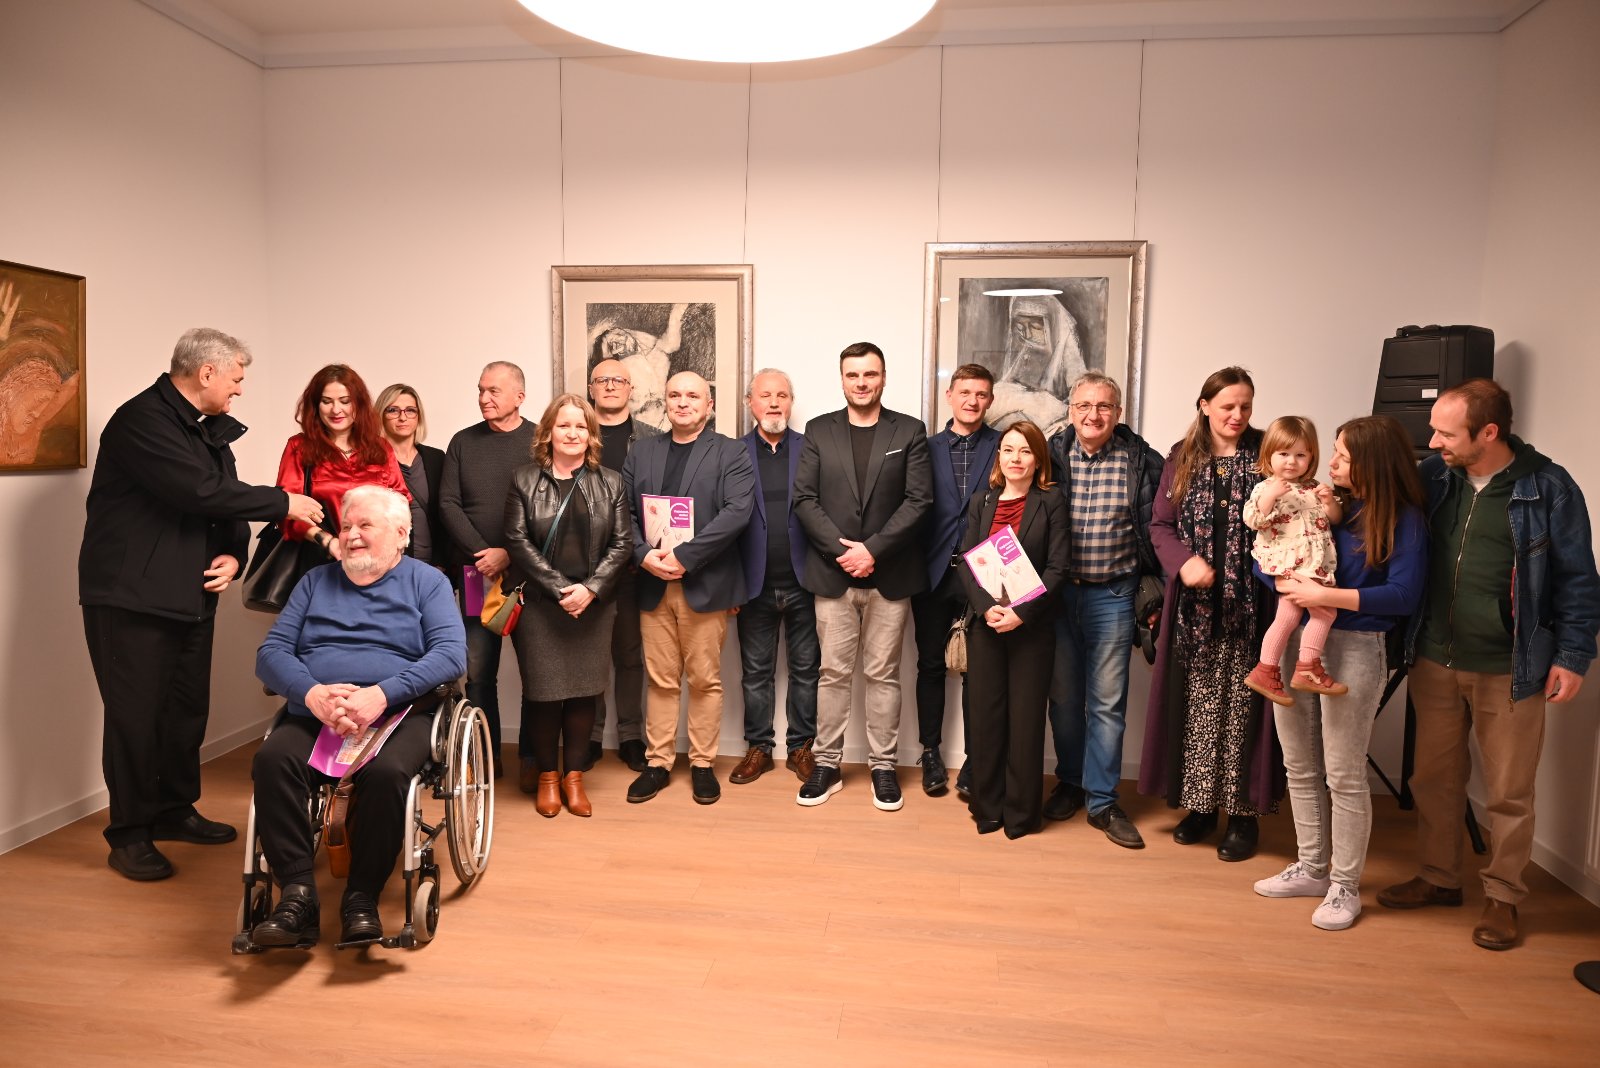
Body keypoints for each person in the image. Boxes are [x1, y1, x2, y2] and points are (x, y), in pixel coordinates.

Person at [80, 327, 323, 881]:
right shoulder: (141, 421)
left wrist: (234, 554)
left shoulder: (206, 428)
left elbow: (222, 502)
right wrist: (284, 502)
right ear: (206, 372)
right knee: (135, 718)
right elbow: (196, 490)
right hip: (132, 597)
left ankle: (173, 809)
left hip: (190, 593)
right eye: (236, 378)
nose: (239, 389)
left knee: (184, 711)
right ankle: (129, 834)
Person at [1379, 379, 1600, 950]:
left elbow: (1579, 580)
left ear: (1489, 433)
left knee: (1508, 791)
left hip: (1513, 668)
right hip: (1434, 657)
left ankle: (1503, 896)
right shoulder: (1434, 477)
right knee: (1433, 779)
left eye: (1446, 434)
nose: (1433, 442)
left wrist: (1573, 657)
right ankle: (1438, 878)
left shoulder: (1550, 487)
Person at [250, 486, 466, 947]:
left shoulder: (427, 582)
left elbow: (451, 655)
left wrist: (381, 695)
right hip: (318, 711)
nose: (351, 536)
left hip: (399, 713)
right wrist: (312, 694)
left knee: (388, 775)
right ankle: (298, 895)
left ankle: (361, 896)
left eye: (365, 525)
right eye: (346, 526)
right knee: (272, 761)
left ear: (401, 534)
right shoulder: (314, 582)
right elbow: (271, 654)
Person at [1249, 415, 1426, 931]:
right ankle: (1312, 868)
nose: (1331, 463)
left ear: (1373, 462)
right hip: (1295, 639)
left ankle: (1344, 885)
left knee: (1344, 774)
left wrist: (1325, 596)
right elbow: (1269, 550)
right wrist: (1288, 583)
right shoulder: (1322, 501)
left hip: (1356, 645)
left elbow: (1403, 595)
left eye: (1344, 457)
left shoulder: (1405, 518)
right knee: (1299, 765)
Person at [1139, 366, 1281, 862]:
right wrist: (1184, 563)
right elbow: (1160, 526)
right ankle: (1200, 807)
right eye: (1227, 406)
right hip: (1194, 611)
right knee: (1197, 707)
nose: (1237, 415)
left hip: (1254, 606)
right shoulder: (1182, 457)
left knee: (1244, 710)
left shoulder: (1267, 453)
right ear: (1204, 406)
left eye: (1245, 406)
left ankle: (1242, 815)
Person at [792, 342, 933, 811]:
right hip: (833, 576)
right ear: (842, 379)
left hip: (890, 576)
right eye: (853, 375)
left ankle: (883, 768)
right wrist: (845, 553)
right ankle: (826, 765)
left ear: (883, 377)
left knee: (883, 675)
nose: (861, 382)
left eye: (870, 374)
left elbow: (919, 501)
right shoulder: (819, 430)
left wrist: (872, 550)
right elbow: (805, 500)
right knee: (831, 674)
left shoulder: (909, 430)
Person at [1044, 371, 1164, 849]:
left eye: (1104, 406)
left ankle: (1102, 801)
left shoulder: (1143, 461)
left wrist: (1158, 590)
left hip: (1113, 595)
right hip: (1058, 597)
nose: (1093, 415)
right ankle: (1071, 782)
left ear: (1118, 412)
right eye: (1084, 406)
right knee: (1064, 700)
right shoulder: (1050, 455)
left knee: (1108, 704)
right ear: (1070, 410)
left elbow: (1160, 528)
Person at [621, 371, 754, 805]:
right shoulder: (642, 451)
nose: (683, 402)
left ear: (709, 405)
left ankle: (701, 764)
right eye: (674, 395)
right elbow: (622, 512)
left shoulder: (731, 452)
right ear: (665, 401)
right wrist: (644, 554)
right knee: (660, 681)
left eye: (692, 396)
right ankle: (658, 763)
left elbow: (736, 513)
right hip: (653, 582)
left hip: (704, 583)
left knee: (704, 680)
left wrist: (684, 557)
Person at [503, 395, 633, 816]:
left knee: (583, 695)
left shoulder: (611, 482)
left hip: (593, 607)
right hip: (542, 605)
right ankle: (547, 777)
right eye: (564, 425)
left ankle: (573, 778)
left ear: (591, 435)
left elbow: (623, 544)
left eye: (581, 426)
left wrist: (590, 590)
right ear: (548, 433)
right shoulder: (524, 479)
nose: (573, 433)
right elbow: (517, 540)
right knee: (543, 695)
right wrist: (562, 589)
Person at [957, 422, 1070, 838]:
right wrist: (985, 608)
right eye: (1008, 450)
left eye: (1025, 451)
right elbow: (967, 561)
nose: (1015, 458)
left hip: (1031, 629)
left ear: (1037, 459)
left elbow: (1058, 567)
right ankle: (987, 807)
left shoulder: (1051, 501)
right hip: (986, 626)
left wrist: (1021, 613)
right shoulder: (981, 501)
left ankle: (1021, 814)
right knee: (985, 718)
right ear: (999, 457)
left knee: (1025, 722)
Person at [440, 361, 537, 777]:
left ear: (519, 396)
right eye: (481, 390)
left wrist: (509, 554)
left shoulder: (541, 441)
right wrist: (485, 554)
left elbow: (548, 508)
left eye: (494, 391)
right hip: (476, 575)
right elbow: (448, 504)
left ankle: (533, 760)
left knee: (537, 674)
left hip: (531, 575)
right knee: (479, 674)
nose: (484, 398)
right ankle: (485, 760)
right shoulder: (462, 442)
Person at [910, 363, 999, 798]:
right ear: (949, 396)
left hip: (984, 576)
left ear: (990, 400)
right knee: (929, 665)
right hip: (931, 573)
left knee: (977, 671)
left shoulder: (1004, 446)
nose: (972, 401)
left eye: (981, 394)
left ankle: (974, 760)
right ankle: (930, 753)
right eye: (965, 392)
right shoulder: (923, 448)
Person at [731, 369, 819, 786]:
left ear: (791, 402)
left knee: (806, 671)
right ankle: (759, 749)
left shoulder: (811, 449)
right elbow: (724, 522)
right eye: (765, 395)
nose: (773, 403)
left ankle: (801, 747)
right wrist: (731, 585)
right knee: (755, 674)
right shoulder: (732, 453)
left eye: (782, 395)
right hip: (754, 584)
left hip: (806, 582)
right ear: (750, 402)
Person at [584, 356, 660, 772]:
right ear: (591, 389)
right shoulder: (576, 434)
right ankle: (591, 736)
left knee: (630, 656)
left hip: (632, 564)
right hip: (585, 568)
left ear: (631, 389)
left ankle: (631, 736)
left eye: (618, 380)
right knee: (590, 655)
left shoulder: (650, 438)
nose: (610, 386)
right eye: (602, 380)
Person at [1241, 416, 1346, 705]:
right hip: (1291, 565)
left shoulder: (1314, 487)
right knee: (1325, 612)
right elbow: (1253, 520)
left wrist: (1329, 503)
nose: (1291, 462)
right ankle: (1307, 667)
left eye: (1300, 455)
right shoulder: (1266, 487)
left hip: (1312, 564)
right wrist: (1270, 496)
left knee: (1288, 617)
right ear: (1269, 455)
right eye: (1284, 454)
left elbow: (1334, 520)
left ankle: (1266, 670)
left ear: (1311, 457)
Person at [274, 365, 409, 561]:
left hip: (374, 561)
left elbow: (401, 504)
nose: (336, 410)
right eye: (326, 401)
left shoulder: (380, 447)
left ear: (359, 404)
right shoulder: (299, 447)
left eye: (345, 401)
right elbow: (286, 511)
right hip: (320, 559)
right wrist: (328, 541)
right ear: (316, 406)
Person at [376, 383, 445, 565]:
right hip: (388, 564)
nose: (403, 417)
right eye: (393, 410)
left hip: (434, 566)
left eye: (410, 410)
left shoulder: (436, 458)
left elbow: (446, 514)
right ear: (381, 415)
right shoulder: (371, 461)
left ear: (418, 416)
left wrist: (441, 563)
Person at [590, 303, 687, 431]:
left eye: (619, 336)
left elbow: (671, 344)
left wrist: (677, 310)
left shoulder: (652, 356)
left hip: (667, 421)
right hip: (644, 428)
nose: (617, 343)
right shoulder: (618, 369)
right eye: (611, 344)